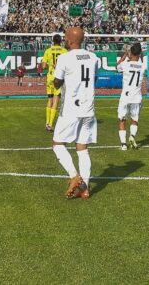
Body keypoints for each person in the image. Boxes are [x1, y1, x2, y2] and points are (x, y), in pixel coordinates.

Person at [51, 27, 98, 200]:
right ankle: (85, 189)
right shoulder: (93, 57)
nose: (64, 39)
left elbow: (57, 84)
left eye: (66, 37)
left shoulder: (64, 58)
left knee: (57, 144)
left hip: (71, 108)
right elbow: (94, 79)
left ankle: (74, 176)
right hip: (89, 108)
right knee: (82, 148)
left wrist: (58, 74)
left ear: (70, 40)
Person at [116, 43, 144, 150]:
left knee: (122, 119)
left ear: (131, 53)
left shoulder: (125, 64)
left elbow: (117, 66)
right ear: (140, 53)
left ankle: (123, 144)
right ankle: (132, 136)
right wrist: (133, 54)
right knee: (134, 119)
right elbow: (139, 58)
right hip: (137, 97)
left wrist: (125, 55)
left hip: (125, 96)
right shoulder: (142, 66)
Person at [41, 34, 67, 132]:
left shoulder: (48, 50)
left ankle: (47, 122)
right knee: (56, 101)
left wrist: (50, 65)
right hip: (58, 78)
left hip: (50, 77)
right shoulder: (64, 51)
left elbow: (43, 66)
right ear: (61, 41)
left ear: (53, 41)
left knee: (50, 100)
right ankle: (50, 124)